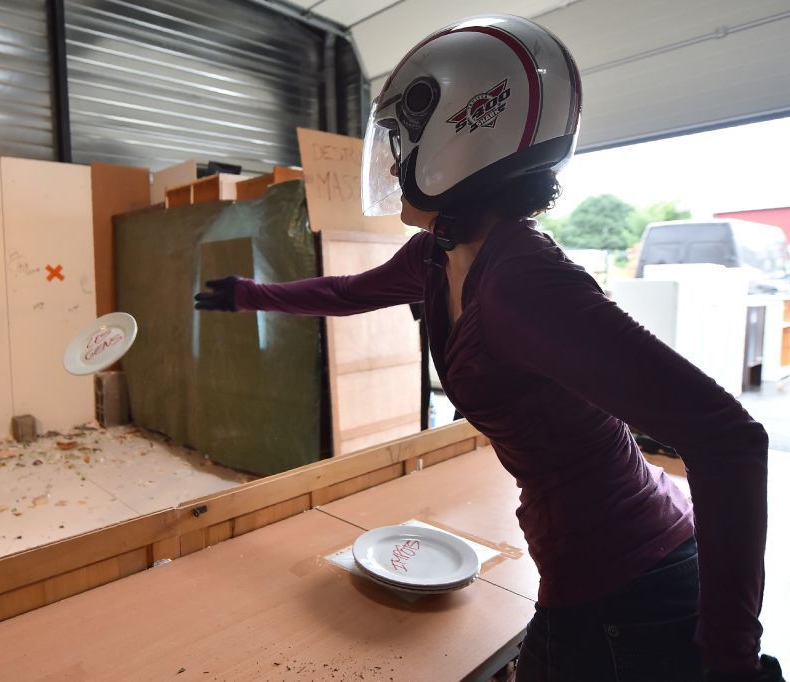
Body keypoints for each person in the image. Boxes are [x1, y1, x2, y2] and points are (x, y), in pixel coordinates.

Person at [194, 14, 782, 682]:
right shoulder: (437, 252)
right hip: (589, 566)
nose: (392, 161)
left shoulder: (522, 282)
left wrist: (730, 657)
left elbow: (729, 438)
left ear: (463, 139)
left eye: (403, 141)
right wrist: (247, 294)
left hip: (631, 586)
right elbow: (347, 292)